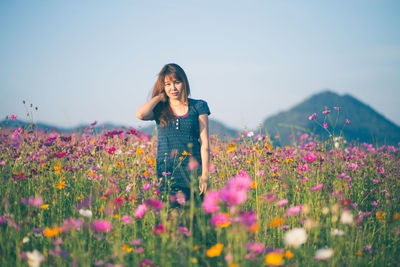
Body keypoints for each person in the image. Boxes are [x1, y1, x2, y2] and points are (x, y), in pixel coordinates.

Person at [136, 63, 211, 201]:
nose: (173, 88)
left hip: (193, 172)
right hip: (167, 171)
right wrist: (159, 97)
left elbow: (205, 143)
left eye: (177, 82)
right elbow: (141, 114)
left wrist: (205, 176)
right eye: (168, 84)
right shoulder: (160, 109)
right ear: (163, 87)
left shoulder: (199, 106)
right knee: (170, 217)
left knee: (194, 218)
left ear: (184, 82)